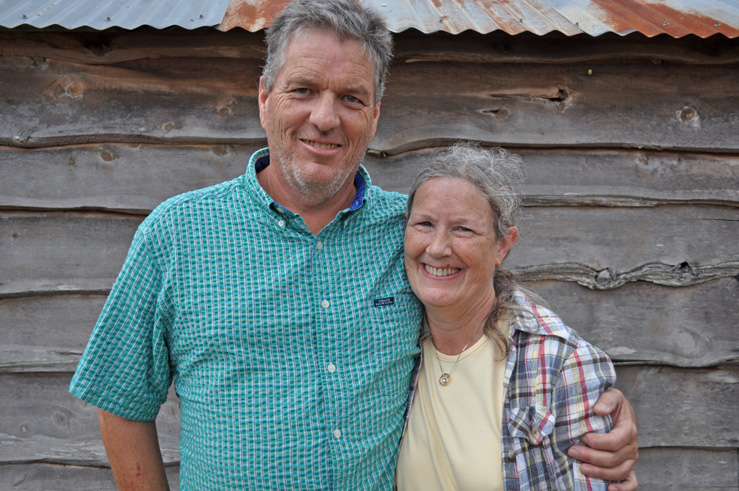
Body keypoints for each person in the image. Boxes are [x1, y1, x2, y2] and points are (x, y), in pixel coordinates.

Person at [69, 0, 638, 489]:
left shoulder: (411, 235)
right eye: (303, 90)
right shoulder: (176, 233)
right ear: (264, 97)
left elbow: (490, 299)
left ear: (375, 115)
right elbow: (121, 401)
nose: (325, 118)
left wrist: (591, 397)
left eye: (351, 98)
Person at [396, 142, 632, 490]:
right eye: (425, 224)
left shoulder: (560, 363)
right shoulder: (393, 337)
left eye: (463, 229)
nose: (437, 247)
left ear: (502, 246)